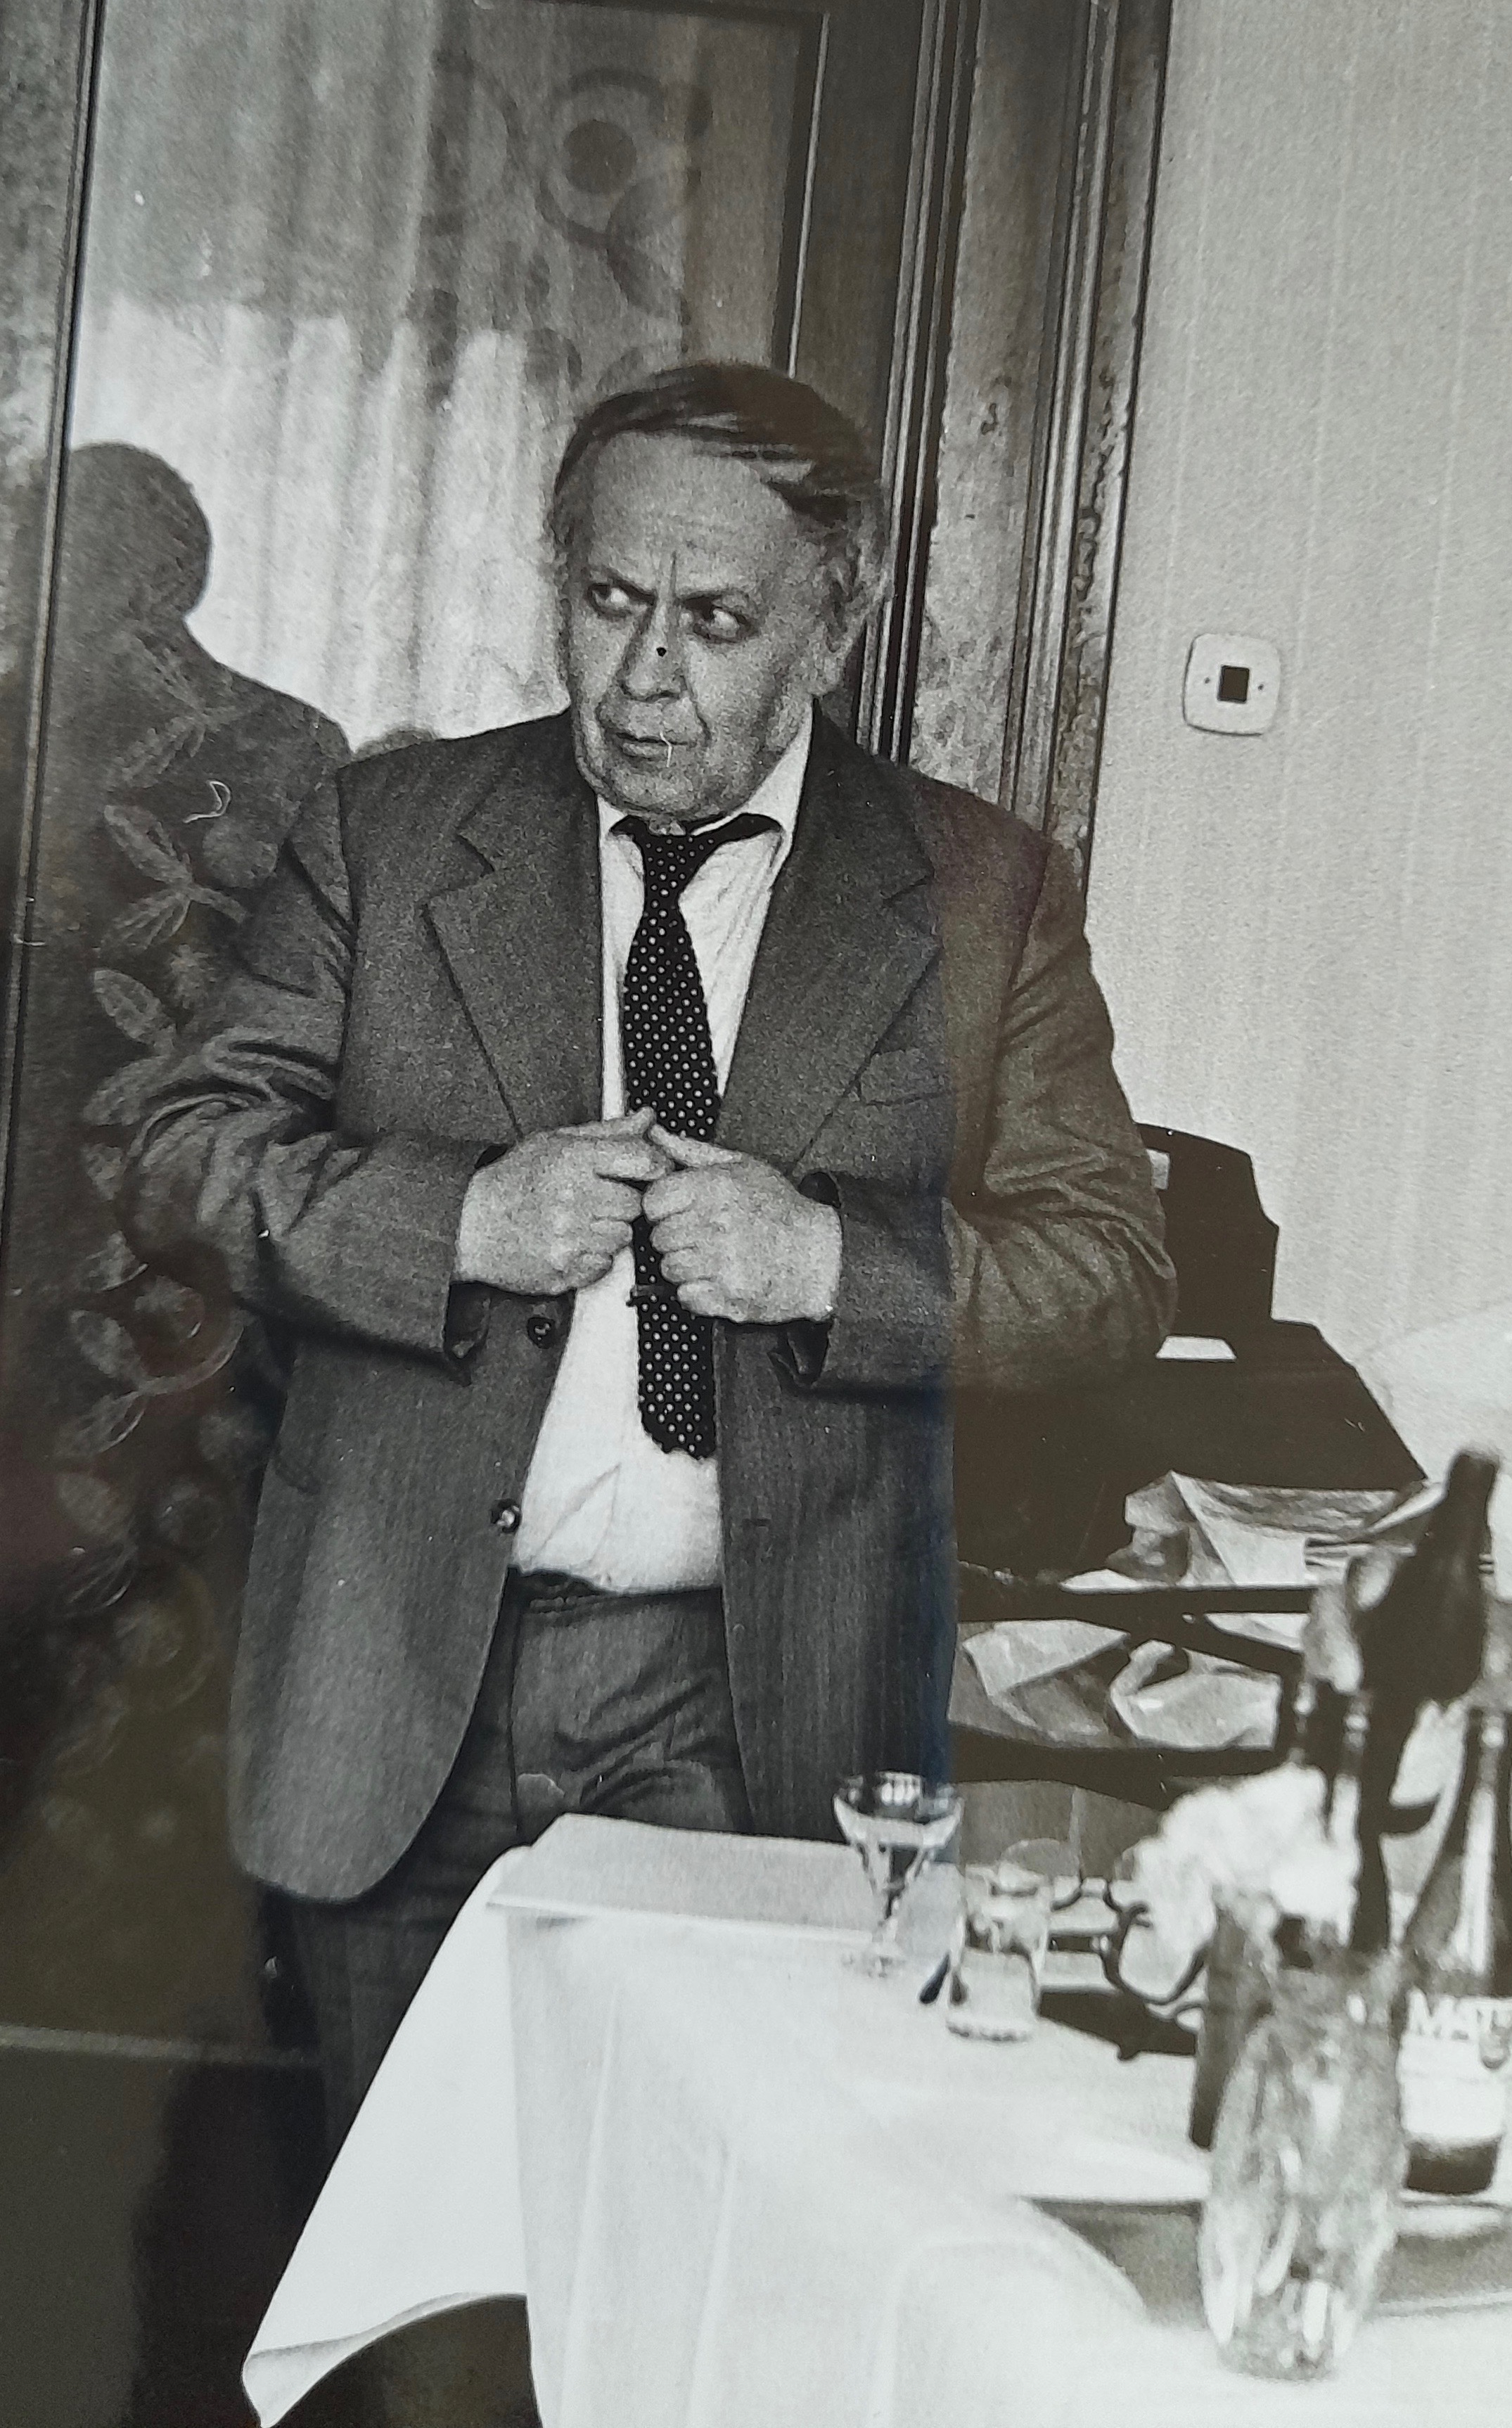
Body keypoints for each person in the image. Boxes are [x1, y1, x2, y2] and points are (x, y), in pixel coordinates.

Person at [124, 363, 1174, 2144]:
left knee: (695, 2228)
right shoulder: (389, 836)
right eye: (609, 599)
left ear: (828, 630)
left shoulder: (977, 891)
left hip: (755, 1702)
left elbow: (1107, 1273)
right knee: (410, 2247)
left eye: (715, 620)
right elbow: (183, 1156)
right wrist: (459, 1219)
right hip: (406, 1684)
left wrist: (827, 1260)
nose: (642, 674)